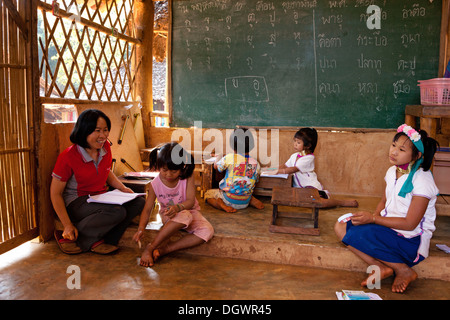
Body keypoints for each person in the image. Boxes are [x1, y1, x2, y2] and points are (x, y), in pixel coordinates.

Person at [334, 124, 440, 293]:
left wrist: (373, 220)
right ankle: (380, 267)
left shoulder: (423, 180)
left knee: (358, 233)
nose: (394, 152)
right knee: (341, 225)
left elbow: (410, 224)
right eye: (393, 145)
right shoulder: (392, 171)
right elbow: (383, 201)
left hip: (410, 241)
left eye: (402, 149)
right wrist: (372, 220)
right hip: (388, 230)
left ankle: (403, 269)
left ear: (416, 155)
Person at [50, 109, 145, 255]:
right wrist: (67, 225)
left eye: (105, 130)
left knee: (138, 202)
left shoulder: (105, 147)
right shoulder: (68, 156)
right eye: (97, 130)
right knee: (116, 212)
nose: (103, 135)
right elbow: (55, 194)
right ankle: (71, 236)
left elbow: (106, 171)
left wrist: (123, 188)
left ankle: (104, 239)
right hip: (78, 202)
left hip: (100, 197)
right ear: (84, 131)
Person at [133, 142, 214, 267]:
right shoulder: (155, 184)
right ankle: (150, 247)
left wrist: (177, 207)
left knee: (207, 230)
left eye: (174, 171)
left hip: (189, 212)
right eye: (164, 170)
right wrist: (141, 229)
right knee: (184, 215)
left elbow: (190, 201)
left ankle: (164, 250)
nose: (168, 175)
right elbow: (148, 208)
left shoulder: (187, 176)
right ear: (158, 166)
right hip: (169, 216)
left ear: (182, 168)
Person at [264, 127, 358, 207]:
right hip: (300, 189)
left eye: (298, 142)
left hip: (310, 187)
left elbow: (292, 169)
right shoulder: (294, 156)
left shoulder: (309, 158)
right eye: (295, 141)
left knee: (320, 203)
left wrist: (277, 171)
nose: (295, 144)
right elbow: (285, 165)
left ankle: (342, 202)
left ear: (308, 145)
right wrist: (271, 169)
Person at [204, 128, 264, 213]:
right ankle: (251, 200)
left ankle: (221, 204)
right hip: (245, 201)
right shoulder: (256, 163)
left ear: (232, 145)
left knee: (208, 194)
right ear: (251, 145)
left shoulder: (229, 157)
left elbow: (216, 167)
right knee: (243, 188)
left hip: (228, 199)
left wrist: (218, 157)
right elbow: (256, 179)